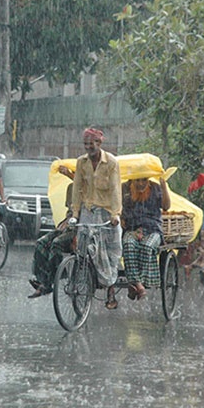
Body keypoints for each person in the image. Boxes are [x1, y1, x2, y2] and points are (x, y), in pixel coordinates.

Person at [71, 127, 122, 310]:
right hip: (87, 210)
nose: (88, 147)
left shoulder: (111, 162)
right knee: (83, 248)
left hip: (107, 212)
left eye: (91, 143)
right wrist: (75, 213)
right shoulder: (81, 162)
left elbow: (116, 189)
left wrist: (116, 214)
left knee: (110, 251)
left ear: (99, 144)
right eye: (85, 144)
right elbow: (77, 187)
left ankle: (110, 289)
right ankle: (85, 278)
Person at [28, 165, 76, 298]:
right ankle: (43, 279)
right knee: (41, 243)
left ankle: (49, 280)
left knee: (56, 244)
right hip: (69, 226)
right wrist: (65, 223)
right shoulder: (71, 188)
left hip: (85, 228)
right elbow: (70, 211)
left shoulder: (91, 189)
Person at [121, 176, 171, 300]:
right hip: (132, 229)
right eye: (137, 180)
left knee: (147, 246)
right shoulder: (125, 189)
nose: (141, 183)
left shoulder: (156, 188)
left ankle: (136, 283)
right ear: (132, 180)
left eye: (144, 180)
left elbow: (166, 206)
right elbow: (118, 206)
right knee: (128, 244)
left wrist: (164, 186)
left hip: (153, 230)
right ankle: (137, 284)